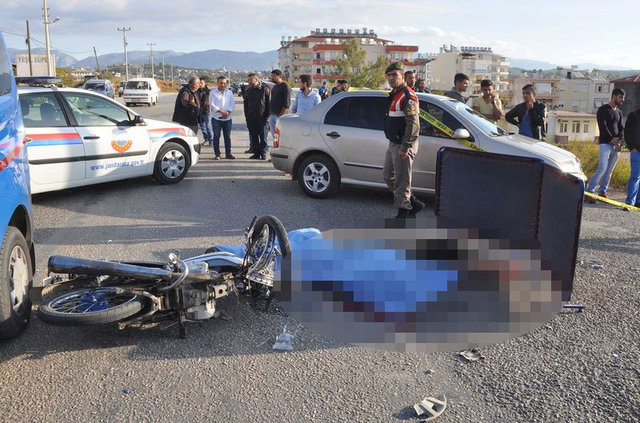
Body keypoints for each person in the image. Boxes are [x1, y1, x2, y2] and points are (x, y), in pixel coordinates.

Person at [381, 62, 424, 218]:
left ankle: (404, 212)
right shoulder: (395, 94)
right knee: (388, 175)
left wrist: (405, 146)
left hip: (403, 144)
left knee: (402, 180)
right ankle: (412, 201)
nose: (391, 78)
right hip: (394, 142)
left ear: (402, 76)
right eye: (389, 75)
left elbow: (413, 124)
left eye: (395, 75)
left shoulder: (408, 96)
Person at [584, 88, 626, 201]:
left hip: (616, 146)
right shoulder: (603, 110)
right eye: (620, 97)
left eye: (623, 97)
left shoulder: (619, 112)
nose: (622, 100)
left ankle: (602, 192)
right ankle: (589, 192)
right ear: (614, 96)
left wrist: (618, 139)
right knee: (602, 168)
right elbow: (603, 126)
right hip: (605, 144)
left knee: (609, 170)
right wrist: (612, 139)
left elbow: (622, 128)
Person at [244, 73, 271, 160]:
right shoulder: (248, 90)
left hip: (262, 117)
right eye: (248, 80)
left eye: (250, 80)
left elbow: (269, 104)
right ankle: (256, 154)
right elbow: (246, 105)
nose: (249, 82)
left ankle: (263, 154)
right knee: (254, 136)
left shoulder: (265, 89)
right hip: (251, 118)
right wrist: (247, 117)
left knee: (263, 137)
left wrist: (268, 116)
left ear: (256, 80)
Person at [210, 76, 236, 160]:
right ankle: (217, 154)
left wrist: (227, 112)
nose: (223, 84)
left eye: (224, 83)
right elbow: (212, 105)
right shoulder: (213, 93)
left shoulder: (229, 93)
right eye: (221, 83)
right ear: (217, 83)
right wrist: (222, 112)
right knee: (216, 136)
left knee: (227, 137)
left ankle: (228, 154)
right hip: (216, 118)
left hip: (227, 119)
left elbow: (232, 104)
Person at [268, 69, 292, 145]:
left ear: (280, 76)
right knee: (275, 138)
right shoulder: (275, 87)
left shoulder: (285, 86)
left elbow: (287, 104)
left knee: (281, 138)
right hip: (272, 115)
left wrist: (280, 117)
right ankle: (276, 150)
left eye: (274, 76)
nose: (272, 78)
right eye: (271, 76)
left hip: (279, 116)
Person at [624, 107, 640, 209]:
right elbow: (627, 132)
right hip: (636, 151)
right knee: (635, 177)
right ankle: (630, 202)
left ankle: (638, 202)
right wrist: (631, 147)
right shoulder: (634, 115)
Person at [198, 77, 213, 145]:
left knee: (208, 126)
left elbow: (207, 101)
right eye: (199, 83)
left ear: (204, 83)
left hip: (207, 111)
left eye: (201, 83)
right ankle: (206, 139)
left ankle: (211, 140)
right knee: (202, 127)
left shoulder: (208, 91)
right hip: (200, 112)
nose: (200, 84)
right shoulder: (197, 91)